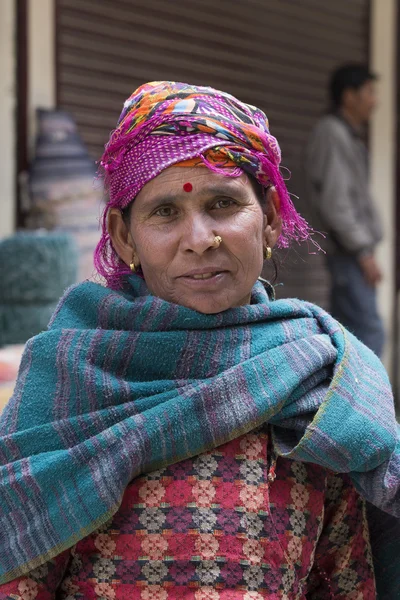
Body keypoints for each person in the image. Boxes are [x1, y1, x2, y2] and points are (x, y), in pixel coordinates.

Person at [0, 81, 398, 599]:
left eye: (223, 204)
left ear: (271, 219)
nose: (199, 239)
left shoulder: (323, 382)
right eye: (165, 212)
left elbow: (348, 578)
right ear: (125, 238)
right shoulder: (67, 381)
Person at [306, 64, 384, 357]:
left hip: (352, 253)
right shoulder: (332, 133)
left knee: (349, 331)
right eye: (369, 92)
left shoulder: (347, 136)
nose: (375, 100)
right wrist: (363, 251)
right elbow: (336, 203)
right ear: (349, 96)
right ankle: (368, 401)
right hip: (348, 253)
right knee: (368, 331)